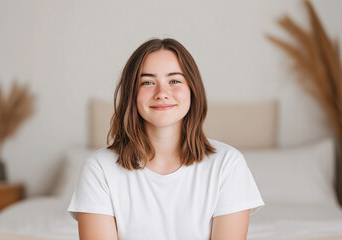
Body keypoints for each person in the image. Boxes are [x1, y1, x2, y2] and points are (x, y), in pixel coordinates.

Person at [68, 38, 264, 240]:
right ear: (131, 94)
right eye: (148, 82)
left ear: (192, 90)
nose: (162, 93)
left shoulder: (228, 164)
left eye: (174, 81)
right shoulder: (99, 168)